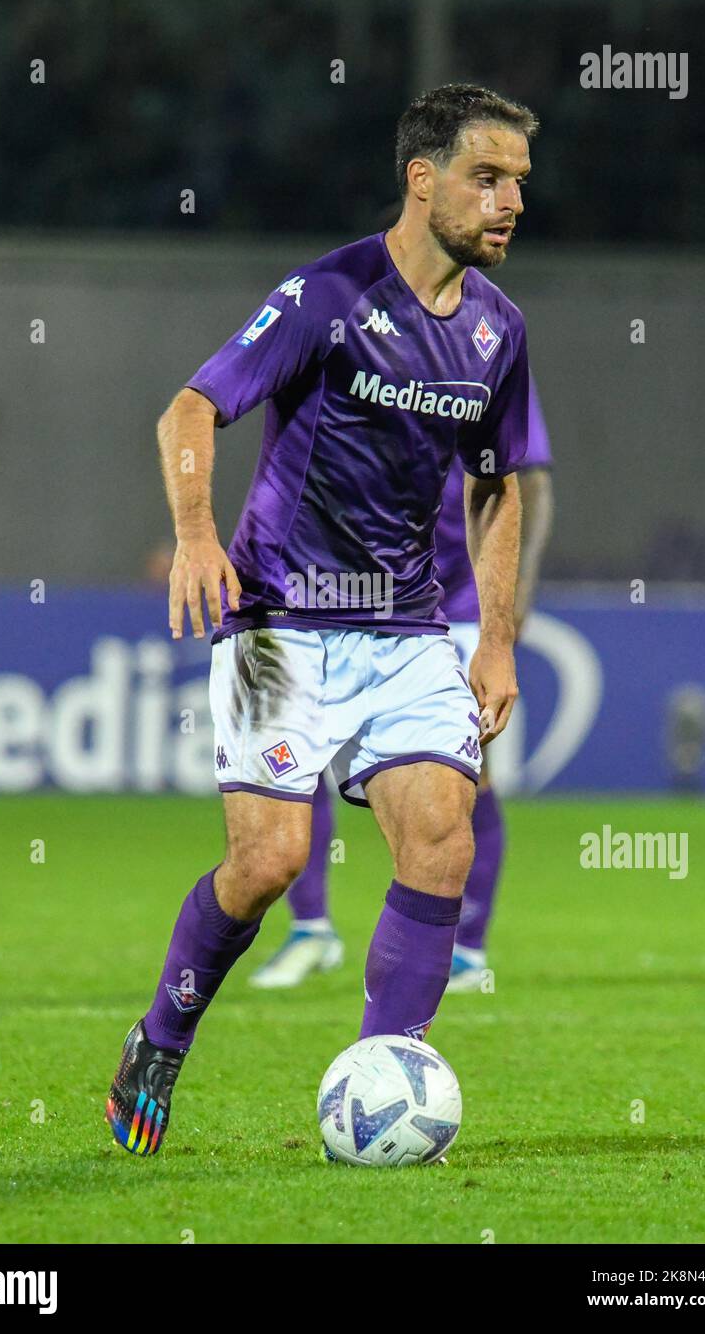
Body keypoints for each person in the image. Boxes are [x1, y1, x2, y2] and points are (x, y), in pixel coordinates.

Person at [106, 82, 537, 1156]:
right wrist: (199, 535)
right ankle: (161, 1033)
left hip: (403, 627)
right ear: (421, 178)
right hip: (278, 620)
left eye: (518, 183)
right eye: (487, 178)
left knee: (440, 835)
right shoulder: (327, 295)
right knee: (266, 861)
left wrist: (491, 639)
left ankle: (383, 1074)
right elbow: (190, 408)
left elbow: (496, 483)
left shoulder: (496, 330)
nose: (508, 202)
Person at [250, 385, 553, 991]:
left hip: (457, 602)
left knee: (468, 775)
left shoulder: (480, 353)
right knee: (299, 757)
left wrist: (516, 597)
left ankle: (466, 945)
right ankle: (311, 928)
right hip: (353, 600)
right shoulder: (358, 347)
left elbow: (528, 485)